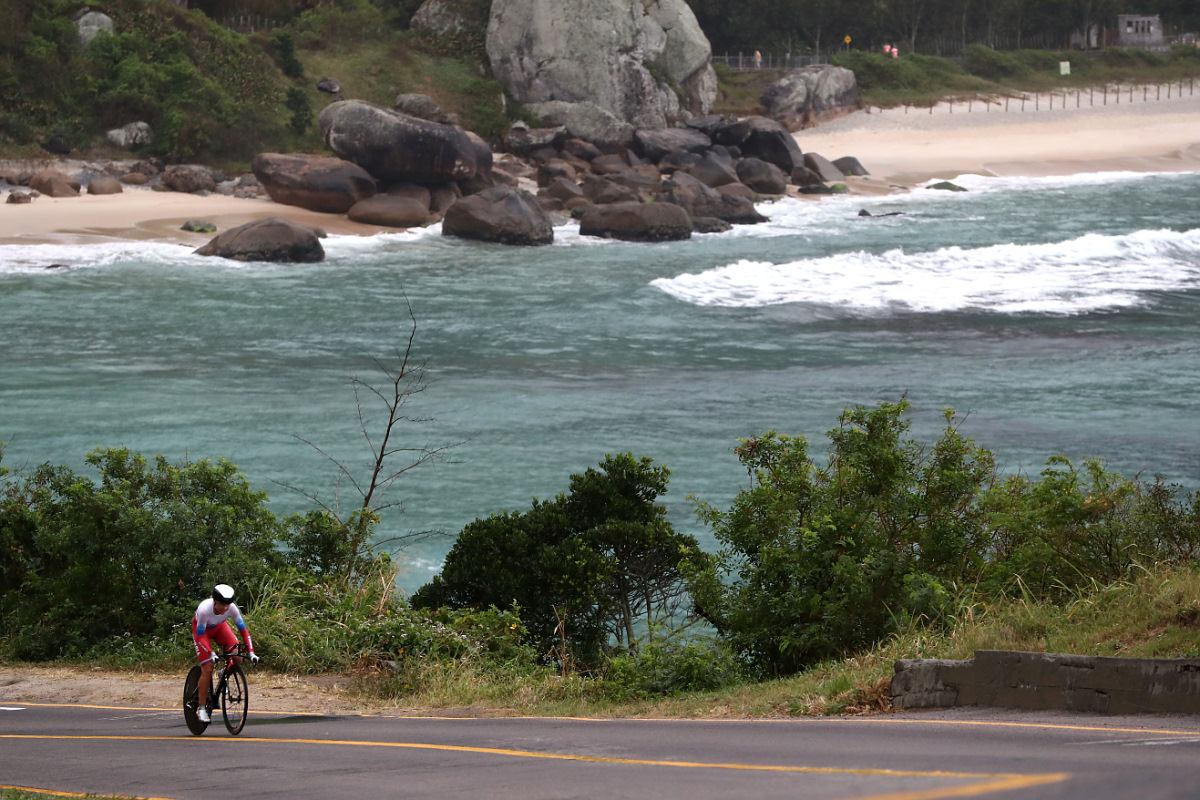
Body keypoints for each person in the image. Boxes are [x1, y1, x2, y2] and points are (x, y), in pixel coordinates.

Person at [192, 583, 257, 723]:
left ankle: (224, 673)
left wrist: (251, 652)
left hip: (220, 628)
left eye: (228, 604)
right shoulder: (204, 610)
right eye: (223, 604)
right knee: (208, 668)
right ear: (215, 602)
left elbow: (244, 631)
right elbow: (200, 637)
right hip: (202, 633)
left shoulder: (231, 608)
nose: (226, 608)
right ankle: (201, 708)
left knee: (237, 657)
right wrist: (210, 653)